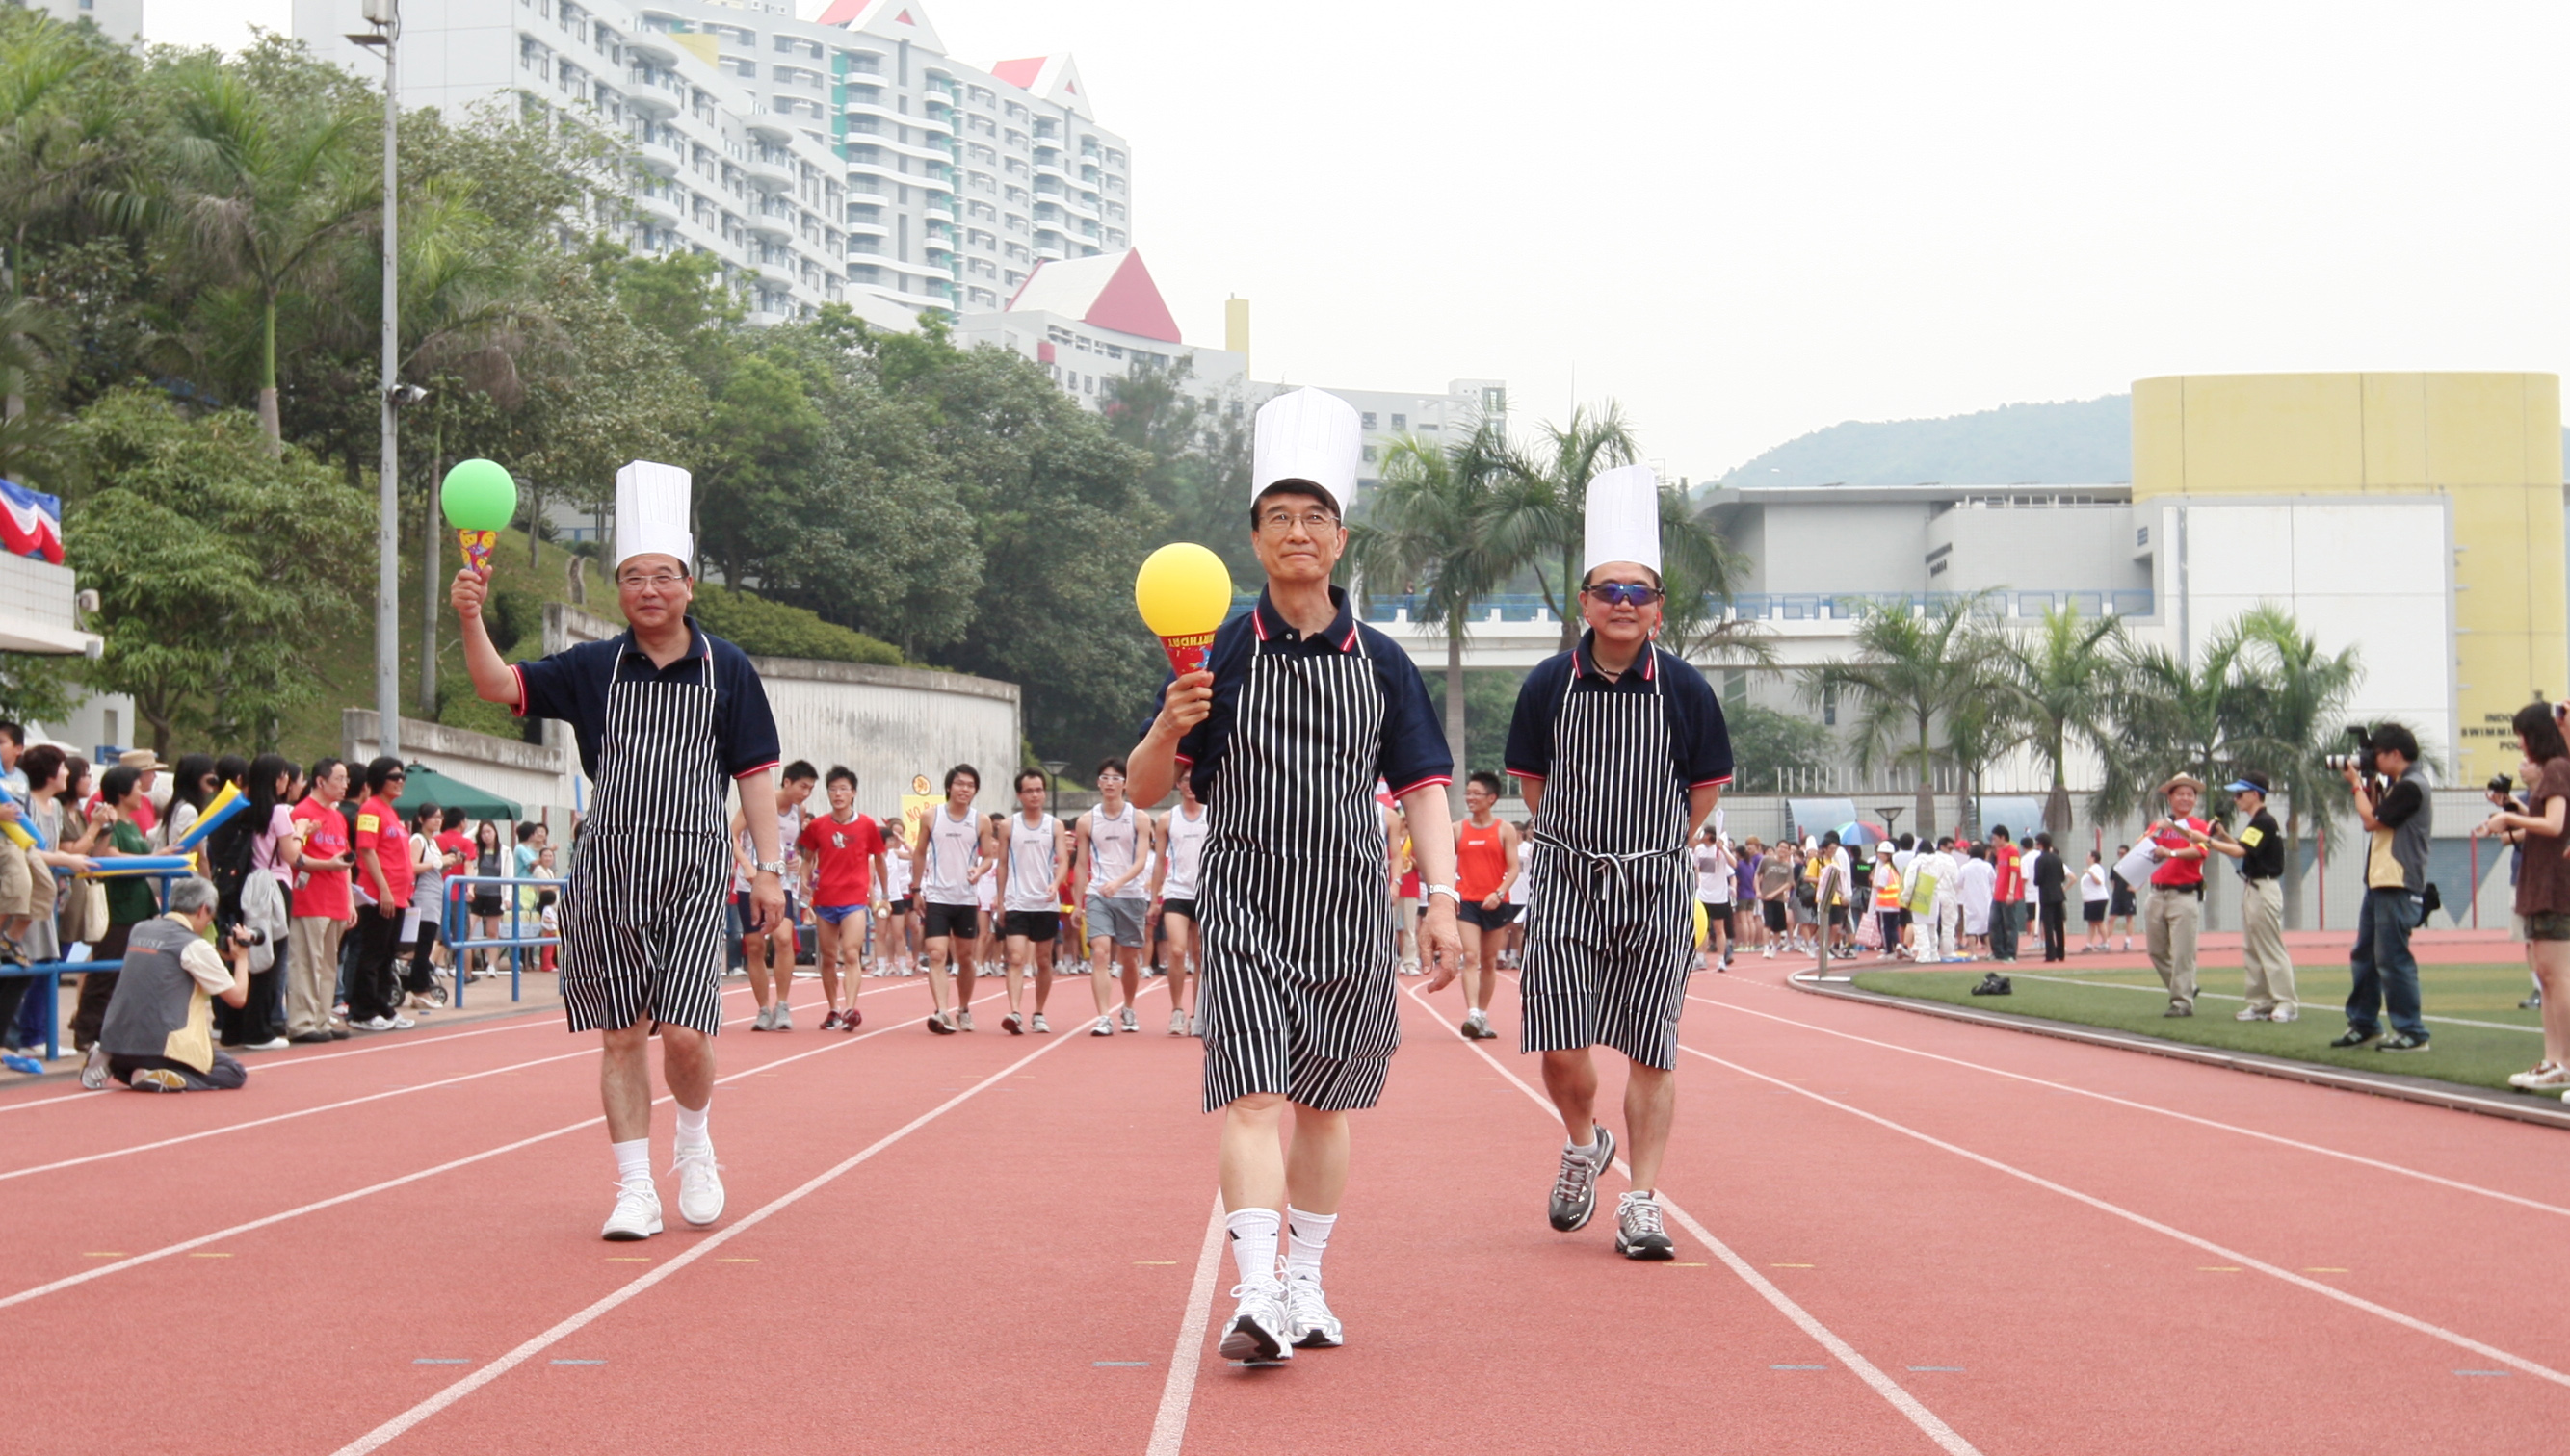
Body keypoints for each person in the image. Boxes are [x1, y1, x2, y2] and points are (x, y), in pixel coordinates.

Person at [1128, 386, 1459, 1361]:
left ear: (1340, 538)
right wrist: (1166, 726)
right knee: (1251, 1096)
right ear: (1255, 538)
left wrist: (1442, 901)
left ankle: (1307, 1282)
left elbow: (1424, 789)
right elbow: (1148, 787)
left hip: (1352, 906)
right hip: (1244, 903)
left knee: (1324, 1104)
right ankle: (1257, 1291)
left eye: (1316, 517)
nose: (1298, 533)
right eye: (1279, 517)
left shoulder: (1384, 663)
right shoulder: (1217, 653)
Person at [455, 457, 785, 1241]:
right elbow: (498, 686)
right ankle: (635, 1187)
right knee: (622, 1032)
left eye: (663, 576)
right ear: (619, 588)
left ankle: (694, 1146)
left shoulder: (729, 668)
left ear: (689, 585)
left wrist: (769, 872)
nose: (649, 589)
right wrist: (470, 616)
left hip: (696, 869)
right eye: (634, 576)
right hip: (608, 868)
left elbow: (754, 774)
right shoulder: (593, 667)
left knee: (687, 1032)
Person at [1488, 462, 1730, 1262]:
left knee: (1653, 1047)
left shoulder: (1686, 690)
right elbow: (1531, 782)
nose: (1623, 604)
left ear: (1659, 608)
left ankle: (1642, 1200)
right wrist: (1579, 838)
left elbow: (1704, 788)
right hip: (1566, 877)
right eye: (1609, 591)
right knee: (1560, 1040)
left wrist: (1654, 845)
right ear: (1584, 602)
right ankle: (1582, 1140)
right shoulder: (1547, 685)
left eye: (1639, 593)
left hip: (1656, 882)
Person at [79, 877, 261, 1092]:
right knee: (233, 1071)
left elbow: (167, 959)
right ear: (203, 909)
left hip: (116, 1043)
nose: (208, 924)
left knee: (139, 1056)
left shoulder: (140, 930)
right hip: (162, 1049)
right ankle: (157, 1075)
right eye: (210, 918)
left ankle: (111, 1063)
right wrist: (241, 958)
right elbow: (238, 998)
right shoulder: (194, 945)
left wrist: (215, 954)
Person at [2476, 704, 2570, 1092]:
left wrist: (2511, 819)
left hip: (2554, 886)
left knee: (2557, 977)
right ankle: (2554, 1060)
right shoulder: (2553, 770)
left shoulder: (2557, 768)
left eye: (2522, 735)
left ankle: (2564, 1061)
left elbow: (2554, 824)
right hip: (2541, 882)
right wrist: (2514, 811)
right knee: (2547, 977)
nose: (2519, 744)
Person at [2324, 723, 2435, 1053]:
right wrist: (2370, 784)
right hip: (2380, 879)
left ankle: (2412, 1032)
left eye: (2377, 755)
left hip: (2397, 880)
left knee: (2392, 958)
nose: (2372, 759)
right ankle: (2364, 1024)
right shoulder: (2399, 785)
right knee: (2366, 955)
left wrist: (2356, 785)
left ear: (2395, 754)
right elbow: (2376, 815)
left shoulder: (2412, 786)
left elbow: (2371, 821)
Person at [66, 764, 158, 1051]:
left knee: (129, 972)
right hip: (118, 907)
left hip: (139, 906)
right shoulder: (111, 823)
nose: (142, 791)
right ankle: (86, 1031)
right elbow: (106, 855)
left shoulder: (132, 824)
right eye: (137, 786)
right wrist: (153, 859)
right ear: (122, 792)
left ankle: (115, 1029)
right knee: (105, 971)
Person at [2190, 773, 2292, 1020]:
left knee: (2270, 947)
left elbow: (2239, 851)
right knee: (2252, 948)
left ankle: (2286, 1002)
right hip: (2253, 887)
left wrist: (2207, 841)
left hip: (2264, 888)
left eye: (2240, 794)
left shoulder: (2264, 821)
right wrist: (2223, 836)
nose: (2236, 799)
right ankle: (2261, 1002)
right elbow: (2244, 848)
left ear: (2255, 795)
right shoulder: (2257, 822)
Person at [797, 766, 885, 1032]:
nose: (838, 794)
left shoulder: (867, 825)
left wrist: (884, 895)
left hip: (855, 899)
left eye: (843, 789)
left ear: (853, 793)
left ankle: (850, 1008)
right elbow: (807, 859)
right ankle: (833, 1008)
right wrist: (804, 883)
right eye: (833, 789)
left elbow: (880, 859)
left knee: (851, 952)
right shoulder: (817, 826)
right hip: (825, 899)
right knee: (827, 957)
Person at [910, 764, 991, 1034]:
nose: (964, 789)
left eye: (970, 785)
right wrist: (916, 889)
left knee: (965, 958)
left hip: (965, 898)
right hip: (937, 896)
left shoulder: (981, 821)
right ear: (949, 787)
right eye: (959, 784)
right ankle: (942, 1011)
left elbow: (989, 857)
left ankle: (964, 1008)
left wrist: (979, 870)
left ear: (975, 790)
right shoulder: (931, 816)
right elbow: (919, 852)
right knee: (936, 954)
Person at [1074, 758, 1152, 1035]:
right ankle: (1104, 1016)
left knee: (1129, 959)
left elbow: (1141, 860)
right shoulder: (1086, 821)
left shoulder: (1139, 818)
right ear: (1098, 782)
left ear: (1125, 784)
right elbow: (1080, 864)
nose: (1110, 783)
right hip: (1098, 895)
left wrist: (1119, 882)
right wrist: (1077, 903)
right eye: (1105, 778)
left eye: (1116, 778)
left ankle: (1128, 1007)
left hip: (1130, 895)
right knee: (1100, 953)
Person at [739, 761, 817, 1030]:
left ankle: (782, 1004)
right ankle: (763, 1009)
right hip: (750, 882)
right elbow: (731, 834)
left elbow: (793, 844)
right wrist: (747, 866)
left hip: (782, 881)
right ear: (787, 782)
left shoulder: (799, 810)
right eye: (803, 787)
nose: (806, 793)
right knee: (755, 946)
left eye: (810, 789)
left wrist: (796, 863)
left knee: (783, 938)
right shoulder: (758, 802)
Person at [343, 757, 416, 1033]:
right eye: (394, 777)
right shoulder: (370, 810)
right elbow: (367, 850)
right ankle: (362, 1011)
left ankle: (383, 1007)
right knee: (372, 954)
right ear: (377, 780)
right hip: (378, 895)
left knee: (387, 954)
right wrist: (384, 889)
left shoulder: (391, 813)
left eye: (402, 777)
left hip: (398, 895)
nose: (400, 781)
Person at [996, 768, 1070, 1035]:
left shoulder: (1054, 825)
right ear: (1020, 795)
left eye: (1039, 790)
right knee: (1016, 957)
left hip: (1045, 902)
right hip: (1017, 901)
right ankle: (1015, 1012)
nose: (1035, 795)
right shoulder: (1008, 826)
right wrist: (1000, 899)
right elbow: (1002, 863)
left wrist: (1055, 883)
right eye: (1029, 791)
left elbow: (1063, 860)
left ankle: (1038, 1012)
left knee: (1043, 960)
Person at [1453, 770, 1523, 1034]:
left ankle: (1482, 1015)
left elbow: (1513, 868)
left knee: (1489, 960)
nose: (1470, 798)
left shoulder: (1504, 829)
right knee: (1470, 957)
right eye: (1468, 793)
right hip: (1467, 902)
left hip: (1497, 902)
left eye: (1476, 793)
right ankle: (1472, 1014)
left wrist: (1499, 892)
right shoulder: (1458, 829)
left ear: (1491, 798)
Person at [2141, 776, 2213, 1016]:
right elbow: (2141, 846)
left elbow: (2200, 851)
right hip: (2157, 893)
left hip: (2184, 894)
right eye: (2180, 794)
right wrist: (2159, 830)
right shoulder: (2160, 825)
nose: (2185, 798)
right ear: (2170, 798)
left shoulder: (2199, 826)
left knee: (2183, 952)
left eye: (2190, 795)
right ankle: (2187, 987)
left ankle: (2182, 1002)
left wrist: (2171, 853)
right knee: (2156, 950)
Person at [1153, 774, 1208, 1035]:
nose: (1190, 785)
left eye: (1193, 779)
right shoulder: (1167, 819)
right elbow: (1158, 861)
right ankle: (1177, 1010)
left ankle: (1198, 1013)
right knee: (1176, 951)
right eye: (1185, 780)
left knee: (1200, 956)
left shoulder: (1213, 814)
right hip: (1176, 891)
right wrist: (1154, 899)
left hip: (1205, 893)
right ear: (1178, 784)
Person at [1691, 823, 1731, 973]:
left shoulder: (1721, 850)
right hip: (1702, 895)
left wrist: (1723, 849)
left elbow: (1734, 863)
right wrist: (1698, 880)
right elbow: (1696, 866)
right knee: (1702, 928)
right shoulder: (1699, 849)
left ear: (1708, 835)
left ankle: (1721, 960)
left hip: (1718, 896)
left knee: (1719, 928)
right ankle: (1700, 958)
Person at [1987, 826, 2023, 962]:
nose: (1993, 841)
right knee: (1994, 923)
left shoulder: (2013, 851)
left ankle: (2011, 953)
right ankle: (1998, 952)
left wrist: (2011, 892)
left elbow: (2014, 871)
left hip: (2008, 893)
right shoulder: (1999, 851)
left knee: (2010, 924)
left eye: (1995, 838)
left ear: (2003, 837)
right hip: (1998, 893)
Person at [2032, 832, 2068, 962]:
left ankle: (2050, 954)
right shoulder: (2057, 858)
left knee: (2048, 925)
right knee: (2059, 925)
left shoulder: (2040, 860)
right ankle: (2061, 953)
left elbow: (2037, 880)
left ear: (2040, 844)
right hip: (2059, 894)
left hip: (2046, 895)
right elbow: (2062, 877)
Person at [1756, 840, 1792, 958]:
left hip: (1779, 899)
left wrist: (1776, 893)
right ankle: (1766, 947)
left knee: (1778, 927)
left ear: (1788, 851)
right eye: (1781, 847)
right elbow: (1757, 875)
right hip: (1766, 897)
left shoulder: (1788, 866)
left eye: (1785, 848)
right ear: (1776, 848)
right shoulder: (1766, 860)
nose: (1783, 850)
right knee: (1768, 923)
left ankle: (1774, 948)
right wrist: (1758, 890)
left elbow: (1788, 883)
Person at [2108, 845, 2138, 951]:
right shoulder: (2115, 866)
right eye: (2119, 853)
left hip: (2128, 895)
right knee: (2111, 918)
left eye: (2123, 853)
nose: (2120, 855)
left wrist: (2136, 888)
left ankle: (2128, 941)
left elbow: (2142, 877)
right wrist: (2116, 889)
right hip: (2117, 895)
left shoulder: (2133, 866)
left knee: (2129, 917)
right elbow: (2112, 880)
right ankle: (2107, 941)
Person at [2080, 850, 2111, 951]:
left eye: (2088, 856)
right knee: (2091, 922)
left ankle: (2105, 942)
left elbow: (2099, 881)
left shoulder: (2096, 868)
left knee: (2098, 921)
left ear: (2093, 858)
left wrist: (2090, 873)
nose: (2086, 858)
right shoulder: (2092, 868)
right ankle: (2089, 943)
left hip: (2097, 899)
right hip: (2090, 899)